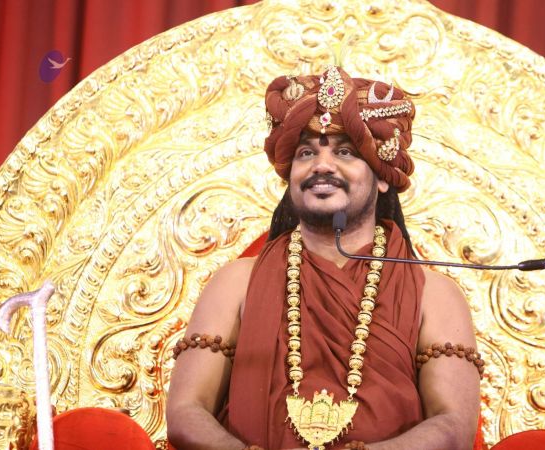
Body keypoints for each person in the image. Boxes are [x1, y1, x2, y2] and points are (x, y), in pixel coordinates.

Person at [166, 66, 482, 450]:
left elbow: (453, 427)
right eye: (306, 153)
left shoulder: (434, 294)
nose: (322, 166)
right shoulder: (235, 283)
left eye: (345, 152)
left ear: (383, 176)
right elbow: (186, 411)